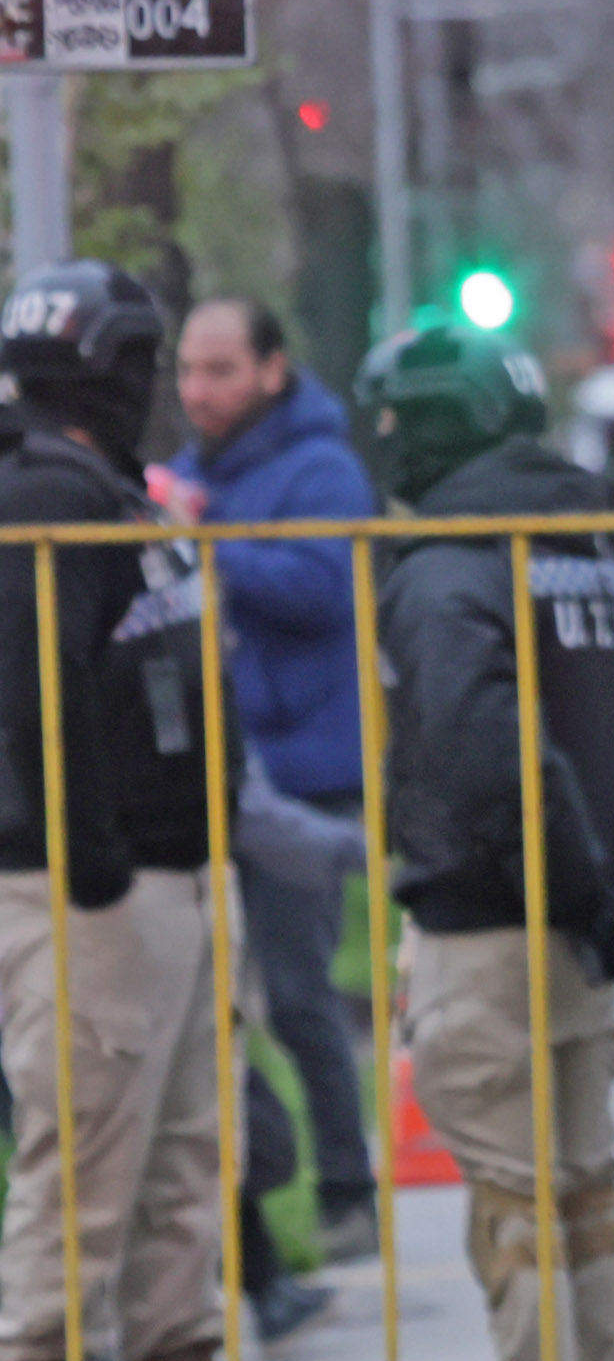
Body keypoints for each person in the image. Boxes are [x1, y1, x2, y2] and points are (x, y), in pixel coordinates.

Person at [358, 322, 614, 1361]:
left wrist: (594, 890)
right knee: (586, 1193)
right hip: (584, 930)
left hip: (492, 923)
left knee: (514, 1199)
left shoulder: (448, 564)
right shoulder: (597, 548)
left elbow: (485, 757)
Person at [0, 262, 266, 1361]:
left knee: (182, 1157)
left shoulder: (109, 498)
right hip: (93, 892)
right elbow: (29, 692)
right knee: (84, 1158)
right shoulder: (52, 502)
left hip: (172, 877)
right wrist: (89, 851)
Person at [168, 295, 383, 1263]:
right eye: (187, 370)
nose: (198, 390)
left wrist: (202, 544)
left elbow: (321, 587)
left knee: (298, 993)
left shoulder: (322, 469)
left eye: (219, 369)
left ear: (272, 368)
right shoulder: (191, 475)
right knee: (202, 996)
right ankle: (245, 1186)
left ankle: (348, 1190)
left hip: (304, 770)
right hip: (210, 766)